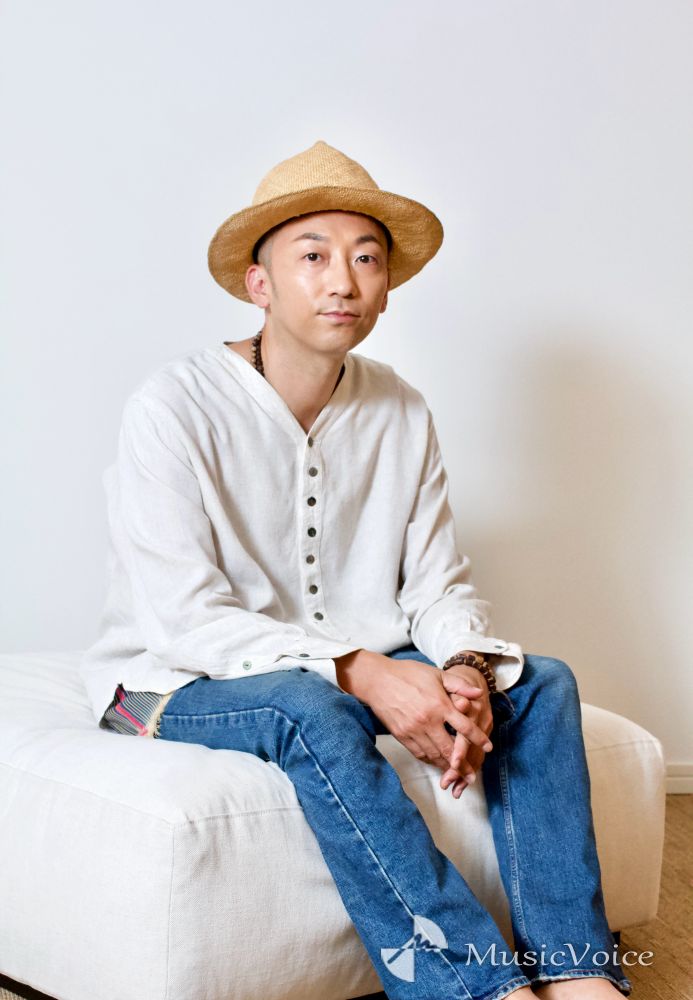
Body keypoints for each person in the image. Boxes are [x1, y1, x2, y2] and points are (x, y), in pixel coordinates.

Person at [80, 141, 632, 999]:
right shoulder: (173, 406)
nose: (342, 280)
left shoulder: (399, 407)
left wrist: (463, 665)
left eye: (366, 259)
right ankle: (470, 987)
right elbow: (184, 618)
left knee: (539, 683)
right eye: (313, 257)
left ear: (385, 287)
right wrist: (360, 670)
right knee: (309, 706)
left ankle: (575, 972)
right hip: (170, 679)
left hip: (340, 663)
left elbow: (435, 584)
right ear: (259, 284)